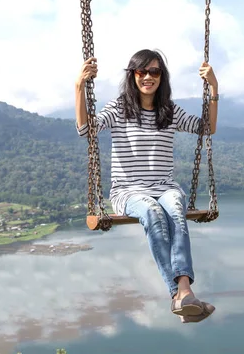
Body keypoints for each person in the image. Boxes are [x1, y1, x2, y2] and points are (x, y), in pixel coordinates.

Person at [74, 48, 218, 323]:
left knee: (176, 208)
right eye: (142, 71)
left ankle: (183, 296)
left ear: (162, 77)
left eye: (154, 71)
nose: (148, 77)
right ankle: (181, 294)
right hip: (128, 191)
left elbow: (207, 127)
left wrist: (213, 87)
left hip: (165, 186)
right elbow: (85, 130)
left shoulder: (169, 111)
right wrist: (80, 85)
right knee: (152, 212)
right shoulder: (119, 109)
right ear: (133, 75)